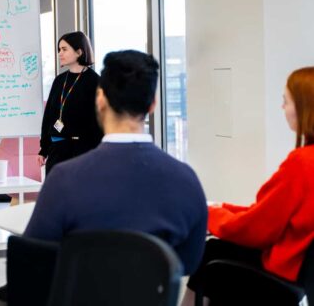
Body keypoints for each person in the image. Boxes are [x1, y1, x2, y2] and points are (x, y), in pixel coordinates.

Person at [25, 49, 208, 274]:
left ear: (100, 100)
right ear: (152, 104)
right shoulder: (185, 180)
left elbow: (32, 262)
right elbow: (188, 264)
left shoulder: (64, 179)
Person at [182, 66, 314, 305]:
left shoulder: (302, 163)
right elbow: (270, 214)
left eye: (286, 101)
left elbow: (256, 230)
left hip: (282, 274)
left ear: (304, 108)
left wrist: (210, 214)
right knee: (216, 250)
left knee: (211, 252)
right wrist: (223, 208)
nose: (282, 108)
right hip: (301, 277)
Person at [37, 32, 103, 176]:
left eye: (64, 49)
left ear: (79, 52)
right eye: (59, 49)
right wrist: (44, 149)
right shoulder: (60, 80)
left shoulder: (95, 82)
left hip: (83, 151)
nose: (60, 53)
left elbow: (99, 122)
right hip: (57, 151)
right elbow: (48, 116)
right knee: (56, 196)